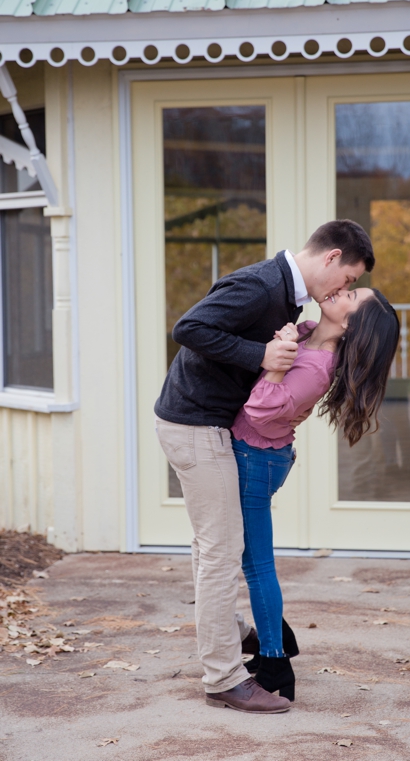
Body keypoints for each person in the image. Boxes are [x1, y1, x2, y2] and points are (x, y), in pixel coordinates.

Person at [153, 220, 373, 714]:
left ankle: (237, 635)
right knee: (221, 552)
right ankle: (224, 678)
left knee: (215, 548)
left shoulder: (292, 299)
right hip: (196, 423)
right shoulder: (260, 285)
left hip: (209, 426)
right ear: (332, 258)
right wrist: (262, 354)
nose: (345, 290)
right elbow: (187, 328)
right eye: (348, 280)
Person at [229, 286, 403, 701]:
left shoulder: (316, 367)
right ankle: (278, 636)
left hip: (256, 459)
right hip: (258, 454)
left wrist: (277, 360)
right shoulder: (308, 337)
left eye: (351, 294)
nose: (341, 289)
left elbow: (258, 409)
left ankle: (275, 664)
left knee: (256, 564)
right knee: (247, 558)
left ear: (348, 324)